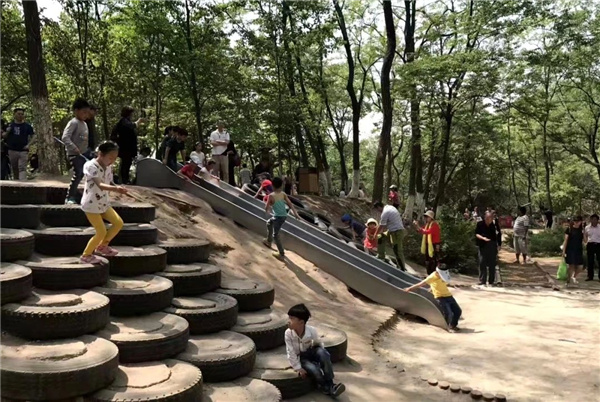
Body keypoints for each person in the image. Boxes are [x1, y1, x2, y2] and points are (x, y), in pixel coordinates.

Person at [79, 141, 127, 264]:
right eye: (110, 157)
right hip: (91, 204)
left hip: (103, 203)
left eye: (115, 158)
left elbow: (109, 182)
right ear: (101, 154)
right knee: (101, 231)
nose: (112, 161)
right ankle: (86, 255)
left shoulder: (109, 167)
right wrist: (116, 189)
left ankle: (102, 247)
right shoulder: (90, 166)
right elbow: (100, 184)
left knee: (118, 223)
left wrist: (118, 187)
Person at [285, 304, 346, 397]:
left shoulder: (311, 330)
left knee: (323, 354)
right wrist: (298, 368)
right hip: (301, 357)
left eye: (292, 318)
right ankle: (325, 387)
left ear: (301, 322)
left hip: (311, 351)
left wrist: (320, 353)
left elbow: (319, 343)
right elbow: (290, 352)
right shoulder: (288, 333)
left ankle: (330, 383)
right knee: (314, 370)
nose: (288, 321)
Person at [404, 265, 462, 332]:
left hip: (448, 296)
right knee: (448, 313)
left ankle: (452, 325)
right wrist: (410, 288)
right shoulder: (432, 277)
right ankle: (445, 327)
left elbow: (440, 283)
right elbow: (421, 284)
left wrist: (432, 287)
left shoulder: (445, 275)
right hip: (440, 297)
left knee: (458, 311)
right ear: (437, 272)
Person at [262, 177, 300, 260]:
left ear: (272, 186)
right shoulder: (283, 194)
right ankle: (268, 241)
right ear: (281, 186)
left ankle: (281, 254)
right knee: (269, 223)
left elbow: (266, 207)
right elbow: (290, 204)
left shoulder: (271, 196)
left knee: (275, 235)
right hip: (283, 216)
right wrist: (296, 214)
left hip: (278, 217)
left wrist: (267, 211)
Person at [62, 98, 91, 204]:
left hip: (84, 153)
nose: (86, 115)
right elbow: (65, 137)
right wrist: (74, 148)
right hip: (74, 154)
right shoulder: (73, 123)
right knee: (78, 173)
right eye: (84, 112)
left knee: (84, 174)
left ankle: (79, 193)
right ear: (76, 111)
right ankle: (69, 196)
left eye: (87, 113)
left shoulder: (84, 124)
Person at [110, 106, 145, 184]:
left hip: (128, 147)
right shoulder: (123, 121)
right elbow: (131, 125)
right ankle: (124, 179)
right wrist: (138, 121)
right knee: (125, 163)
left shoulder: (126, 121)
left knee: (127, 163)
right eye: (131, 113)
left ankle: (125, 179)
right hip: (125, 147)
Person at [373, 201, 406, 271]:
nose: (378, 211)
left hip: (397, 232)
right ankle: (381, 255)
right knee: (381, 237)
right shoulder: (389, 207)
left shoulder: (385, 212)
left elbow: (381, 225)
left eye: (377, 209)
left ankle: (402, 268)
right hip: (392, 230)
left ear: (379, 207)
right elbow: (385, 226)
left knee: (397, 249)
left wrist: (375, 234)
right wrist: (380, 234)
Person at [4, 108, 35, 181]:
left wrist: (29, 144)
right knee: (14, 168)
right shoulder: (10, 125)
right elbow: (4, 136)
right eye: (18, 114)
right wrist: (8, 131)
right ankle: (16, 184)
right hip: (12, 150)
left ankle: (23, 183)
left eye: (22, 114)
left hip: (23, 150)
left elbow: (34, 136)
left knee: (22, 167)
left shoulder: (27, 126)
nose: (20, 116)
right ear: (14, 115)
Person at [475, 212, 500, 286]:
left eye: (491, 218)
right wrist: (483, 238)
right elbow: (476, 234)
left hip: (492, 245)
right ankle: (482, 280)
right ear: (485, 218)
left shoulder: (494, 225)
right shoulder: (480, 224)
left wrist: (499, 244)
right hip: (483, 245)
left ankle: (491, 281)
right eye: (489, 218)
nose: (490, 220)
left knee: (492, 263)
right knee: (482, 262)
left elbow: (498, 234)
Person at [413, 210, 442, 275]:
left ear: (431, 218)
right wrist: (416, 226)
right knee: (427, 260)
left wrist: (418, 226)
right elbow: (421, 230)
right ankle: (429, 274)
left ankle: (432, 274)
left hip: (434, 245)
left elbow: (427, 232)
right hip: (428, 245)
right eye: (425, 217)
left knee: (432, 260)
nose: (426, 218)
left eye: (427, 217)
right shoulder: (427, 224)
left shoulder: (434, 225)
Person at [562, 216, 585, 286]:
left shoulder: (582, 230)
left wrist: (584, 233)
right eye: (575, 221)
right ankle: (568, 279)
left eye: (578, 221)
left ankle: (574, 276)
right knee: (571, 266)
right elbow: (565, 241)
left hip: (578, 250)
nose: (576, 223)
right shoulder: (569, 229)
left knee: (580, 267)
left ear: (581, 222)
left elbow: (585, 240)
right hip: (570, 250)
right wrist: (563, 251)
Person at [585, 214, 600, 281]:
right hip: (590, 244)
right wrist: (585, 242)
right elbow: (585, 235)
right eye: (593, 219)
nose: (594, 221)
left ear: (598, 220)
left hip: (598, 245)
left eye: (596, 220)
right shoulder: (587, 227)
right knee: (590, 261)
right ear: (590, 220)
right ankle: (590, 276)